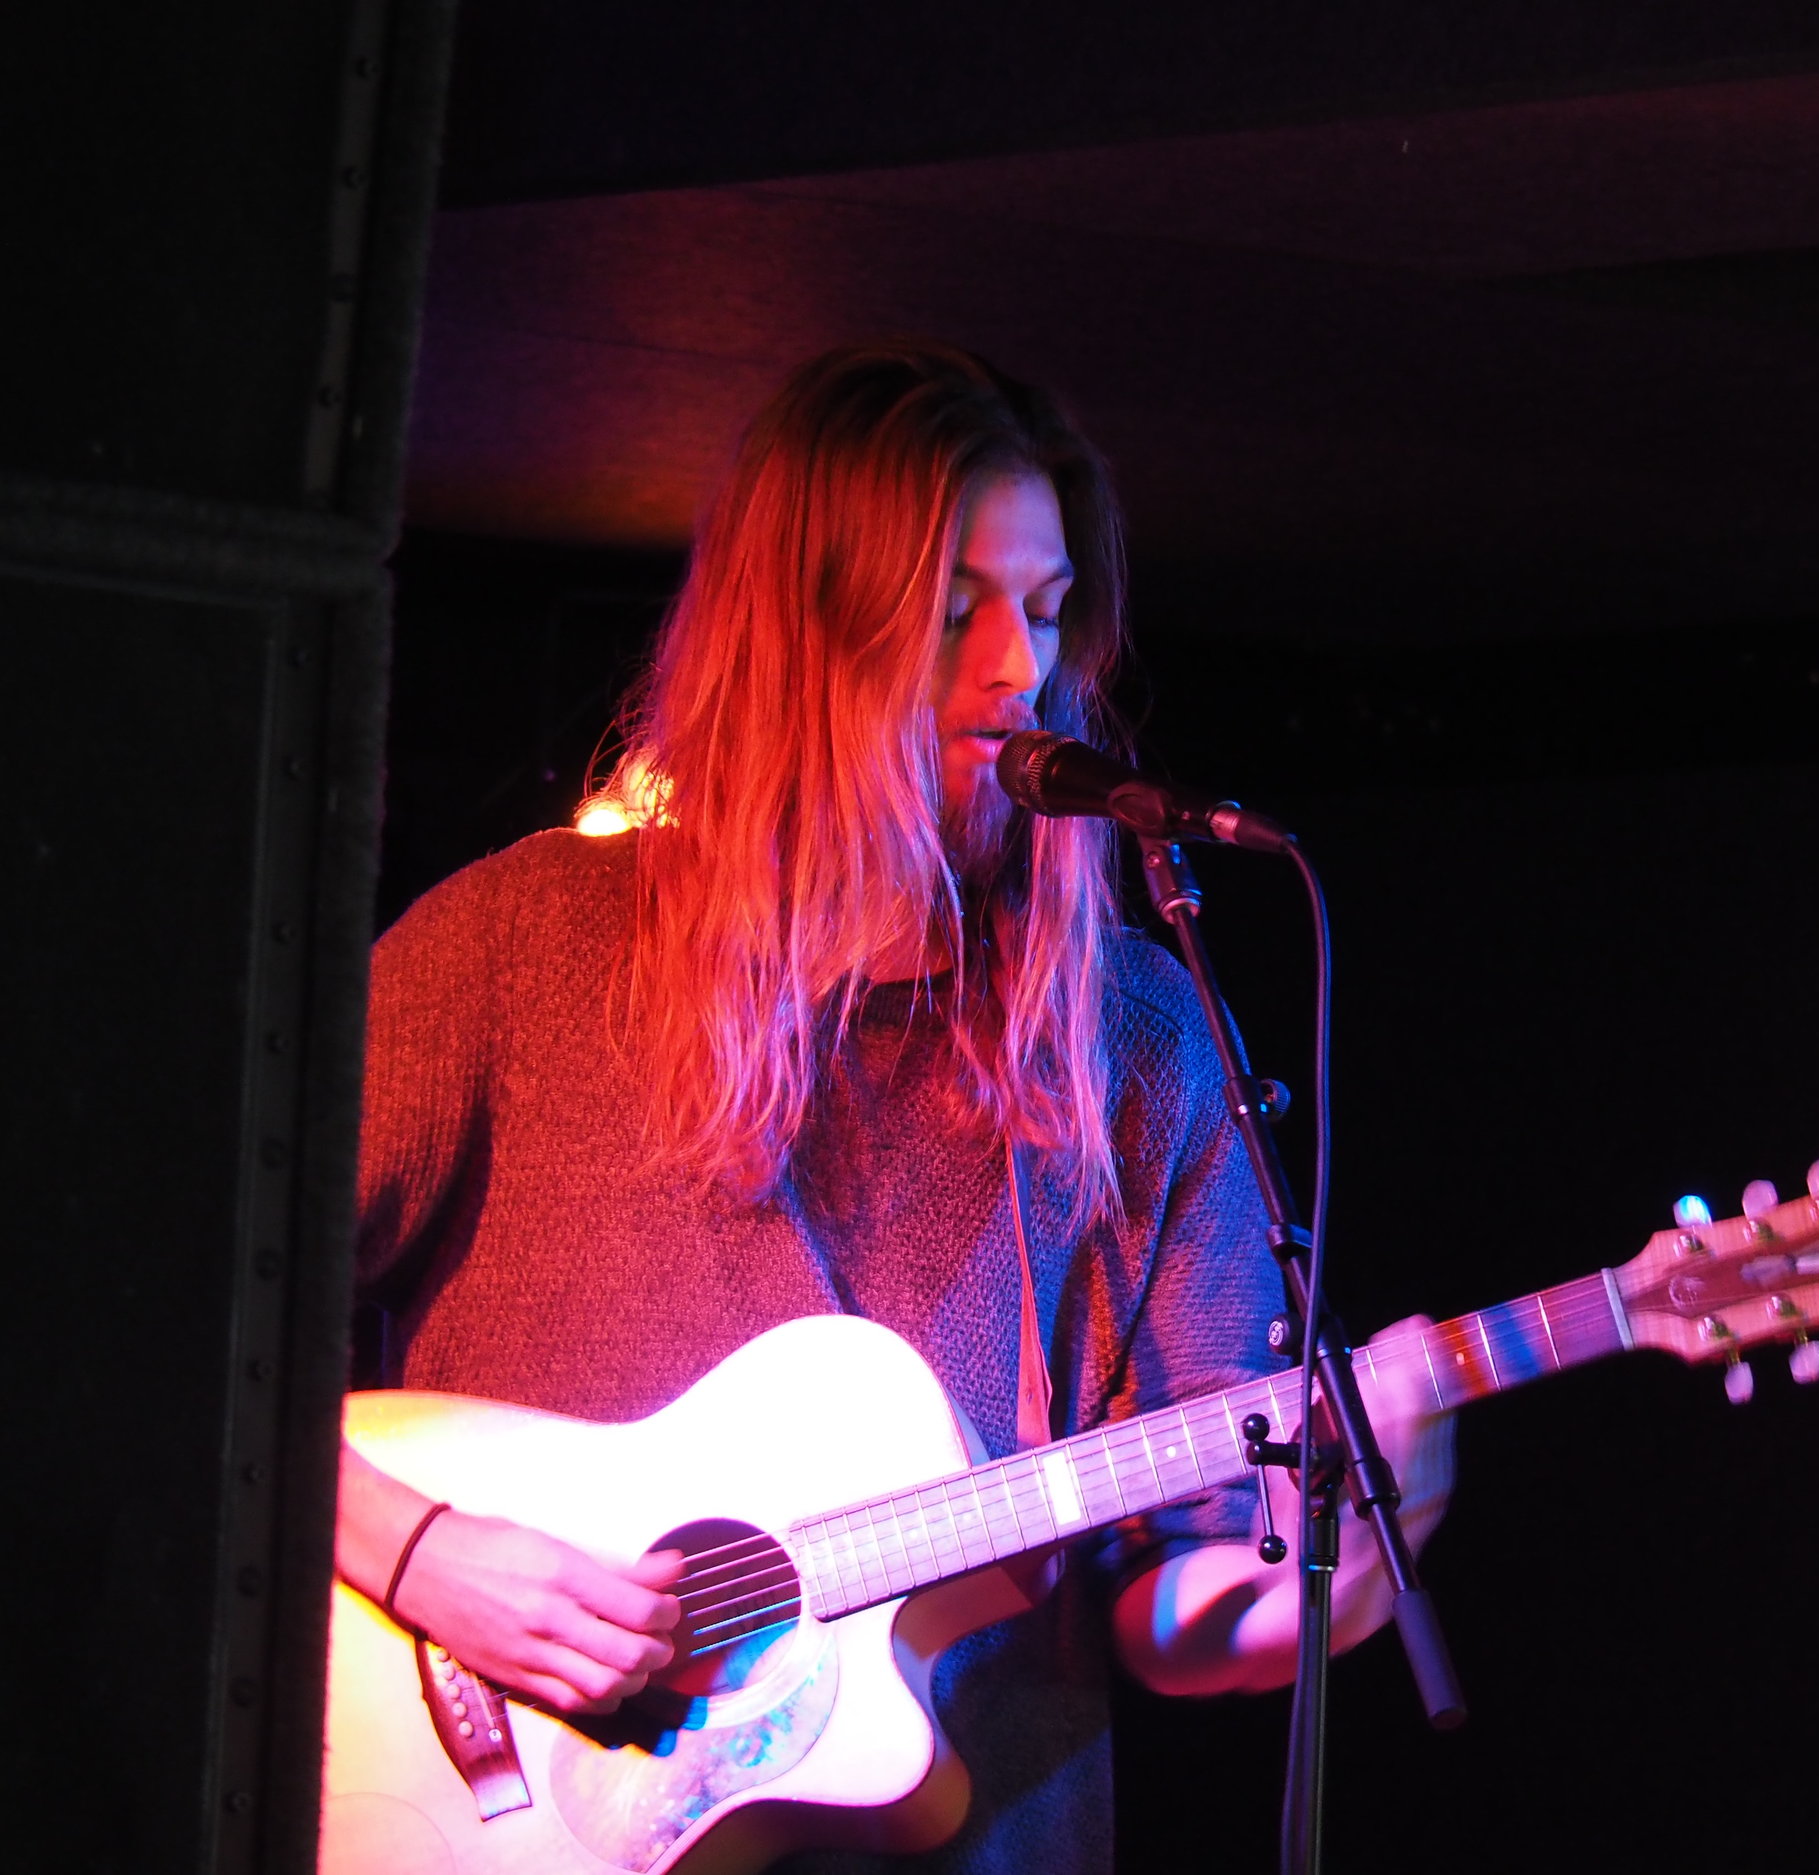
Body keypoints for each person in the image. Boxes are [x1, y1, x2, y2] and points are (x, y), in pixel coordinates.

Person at [331, 340, 1453, 1872]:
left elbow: (1178, 1604)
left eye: (1046, 611)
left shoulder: (1131, 1038)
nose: (1018, 671)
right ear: (803, 633)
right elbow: (177, 1326)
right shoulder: (523, 946)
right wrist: (420, 1550)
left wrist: (1358, 1556)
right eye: (953, 612)